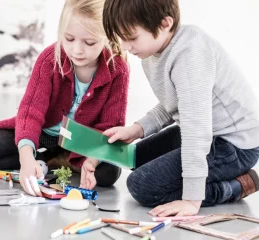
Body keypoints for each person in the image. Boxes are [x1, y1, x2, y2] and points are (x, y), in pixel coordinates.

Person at [102, 0, 259, 217]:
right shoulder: (153, 50)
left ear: (165, 23)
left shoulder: (190, 54)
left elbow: (197, 130)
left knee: (142, 186)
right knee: (135, 157)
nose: (126, 46)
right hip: (206, 132)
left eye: (131, 38)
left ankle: (233, 187)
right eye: (122, 38)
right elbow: (173, 104)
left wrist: (191, 201)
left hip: (234, 144)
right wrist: (137, 129)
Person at [0, 0, 130, 196]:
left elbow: (109, 126)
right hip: (43, 132)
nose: (77, 50)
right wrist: (26, 158)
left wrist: (91, 160)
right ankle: (48, 160)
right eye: (69, 39)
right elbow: (30, 112)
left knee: (108, 174)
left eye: (89, 43)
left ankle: (65, 159)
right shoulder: (49, 59)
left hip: (82, 142)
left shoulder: (118, 69)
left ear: (107, 37)